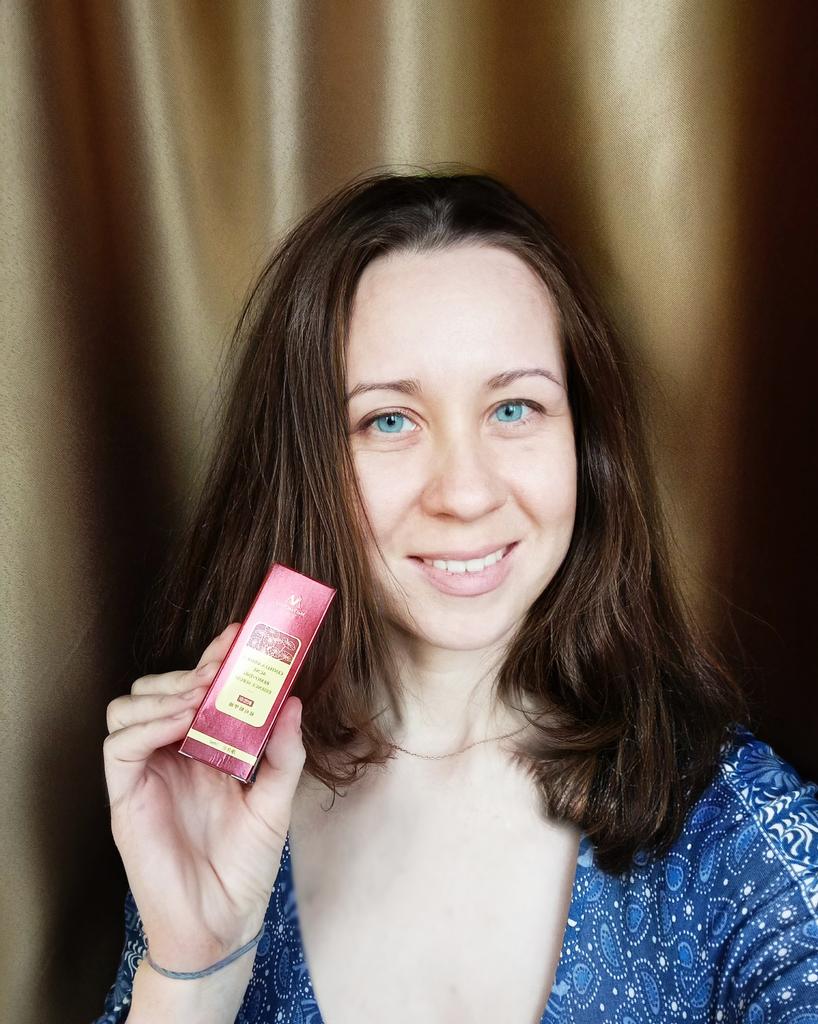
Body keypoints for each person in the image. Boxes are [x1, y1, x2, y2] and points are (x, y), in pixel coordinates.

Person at [94, 171, 818, 1024]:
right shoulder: (215, 804)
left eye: (514, 408)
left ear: (585, 445)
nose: (466, 494)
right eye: (389, 421)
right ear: (307, 465)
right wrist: (194, 971)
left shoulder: (737, 831)